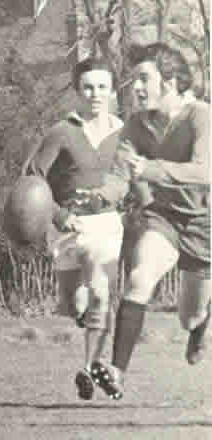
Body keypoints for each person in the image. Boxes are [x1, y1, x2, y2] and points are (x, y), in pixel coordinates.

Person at [88, 43, 210, 400]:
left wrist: (150, 169)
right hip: (164, 218)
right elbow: (119, 176)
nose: (136, 87)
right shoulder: (135, 126)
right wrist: (98, 198)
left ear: (169, 81)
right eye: (134, 79)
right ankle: (116, 372)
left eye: (144, 78)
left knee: (189, 317)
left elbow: (205, 172)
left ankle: (202, 324)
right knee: (139, 277)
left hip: (206, 224)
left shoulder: (200, 116)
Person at [27, 57, 124, 400]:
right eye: (88, 87)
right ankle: (92, 347)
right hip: (67, 229)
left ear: (112, 90)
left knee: (101, 293)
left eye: (102, 87)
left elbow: (128, 177)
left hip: (105, 225)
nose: (95, 94)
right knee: (74, 304)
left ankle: (90, 367)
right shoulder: (61, 132)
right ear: (77, 91)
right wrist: (56, 215)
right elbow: (32, 178)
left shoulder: (123, 134)